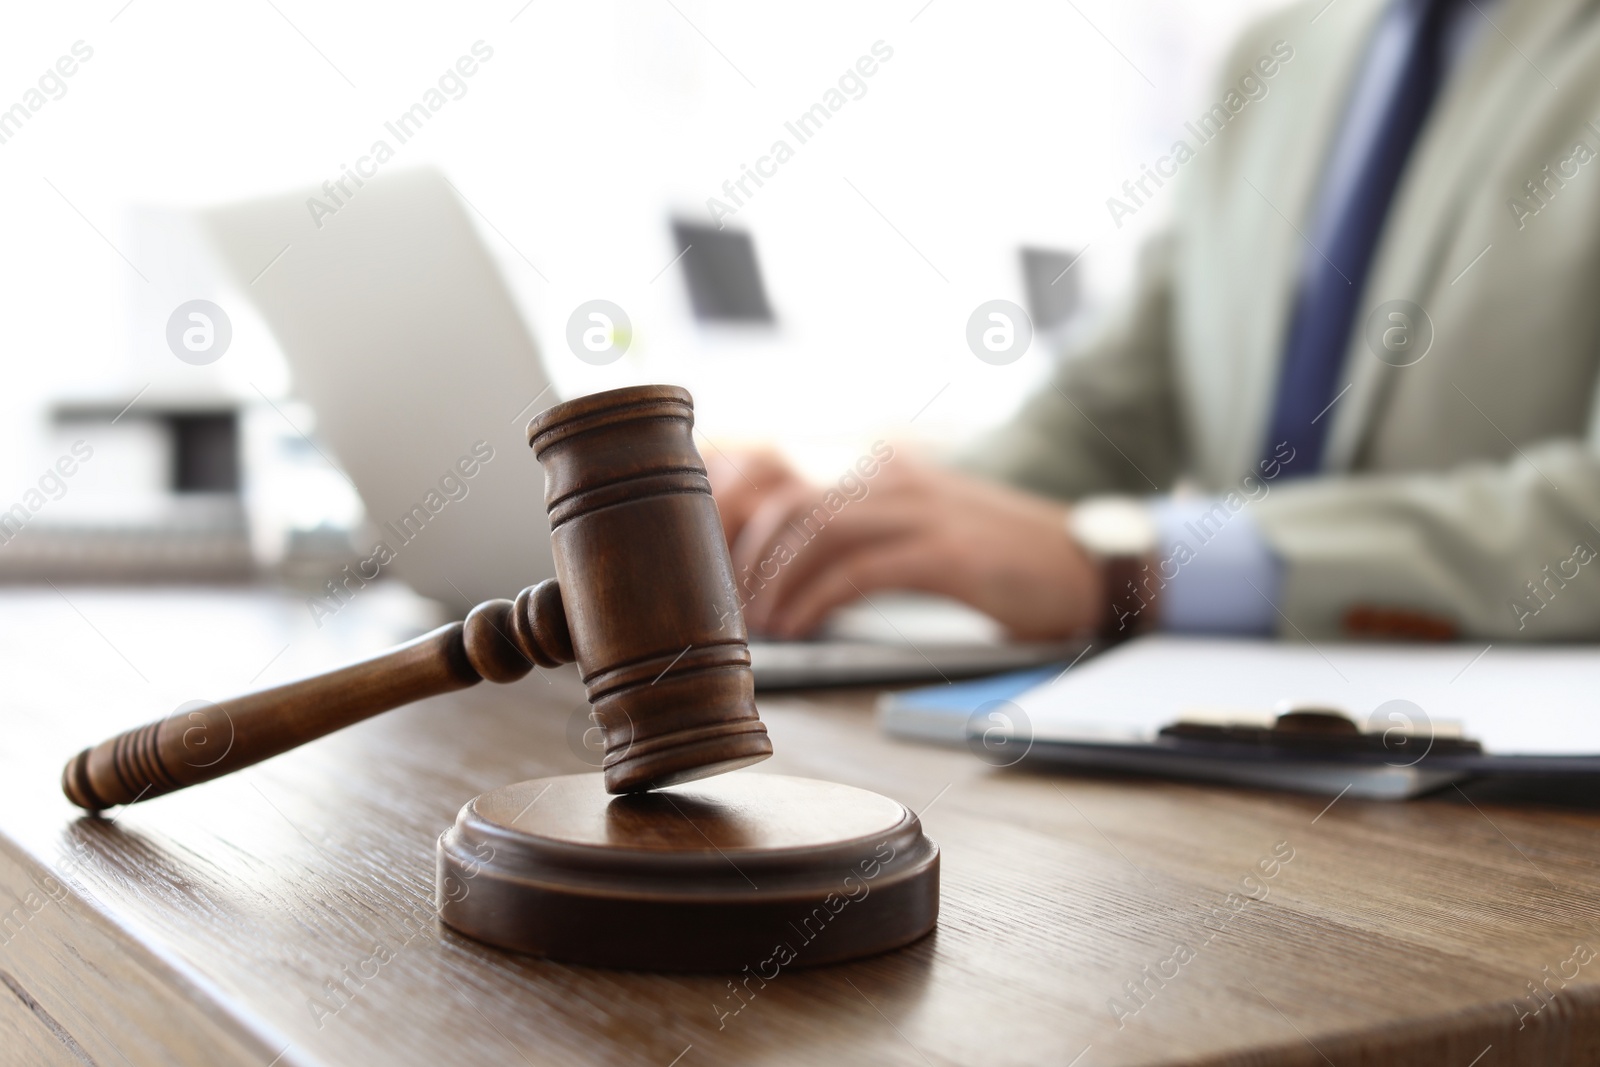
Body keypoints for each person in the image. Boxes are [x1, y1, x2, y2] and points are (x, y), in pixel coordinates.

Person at [710, 0, 1600, 644]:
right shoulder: (1274, 54)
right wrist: (845, 525)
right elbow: (1103, 412)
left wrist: (1139, 568)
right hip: (1196, 740)